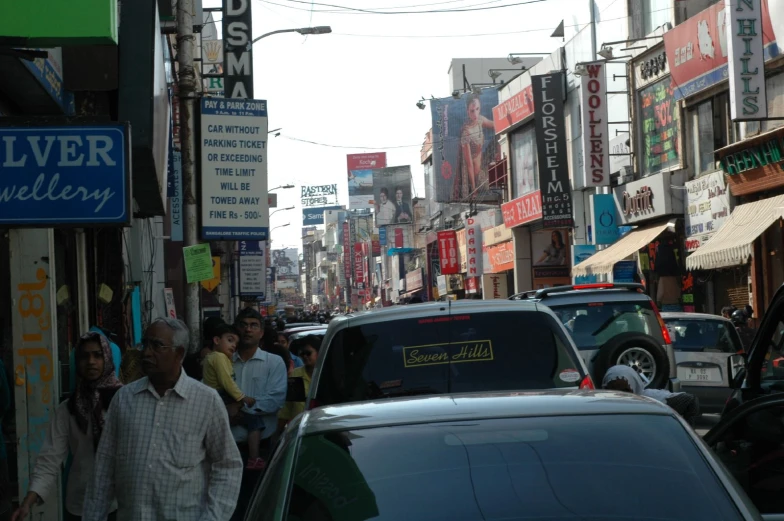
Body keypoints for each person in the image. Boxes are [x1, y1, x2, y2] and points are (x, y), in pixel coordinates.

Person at [81, 318, 243, 521]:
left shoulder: (206, 401)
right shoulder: (124, 399)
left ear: (179, 353)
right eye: (145, 344)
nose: (147, 353)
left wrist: (213, 517)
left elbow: (227, 465)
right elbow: (104, 466)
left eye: (157, 345)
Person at [13, 332, 122, 521]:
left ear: (107, 358)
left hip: (118, 503)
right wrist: (27, 502)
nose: (91, 361)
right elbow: (50, 457)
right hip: (79, 505)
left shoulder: (123, 402)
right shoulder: (69, 409)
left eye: (97, 355)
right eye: (84, 356)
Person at [233, 308, 287, 470]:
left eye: (253, 325)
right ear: (236, 330)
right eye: (243, 325)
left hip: (262, 447)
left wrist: (237, 410)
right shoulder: (223, 362)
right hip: (226, 445)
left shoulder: (274, 363)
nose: (248, 329)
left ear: (261, 333)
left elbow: (274, 401)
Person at [602, 365, 700, 426]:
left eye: (625, 391)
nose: (620, 396)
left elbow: (690, 401)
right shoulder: (599, 409)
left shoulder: (649, 400)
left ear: (635, 388)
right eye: (614, 391)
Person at [203, 323, 256, 408]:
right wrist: (242, 397)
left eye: (236, 344)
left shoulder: (219, 357)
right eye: (230, 340)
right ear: (217, 340)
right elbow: (226, 380)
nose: (234, 345)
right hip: (220, 395)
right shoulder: (218, 357)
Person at [454, 92, 494, 199]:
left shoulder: (480, 120)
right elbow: (469, 165)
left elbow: (495, 124)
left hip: (484, 166)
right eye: (472, 111)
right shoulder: (466, 133)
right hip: (476, 176)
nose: (475, 114)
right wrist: (474, 189)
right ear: (467, 112)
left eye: (477, 109)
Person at [278, 336, 320, 430]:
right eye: (302, 353)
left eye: (308, 353)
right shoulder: (295, 374)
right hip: (298, 427)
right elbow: (288, 407)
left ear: (319, 353)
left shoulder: (327, 374)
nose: (305, 356)